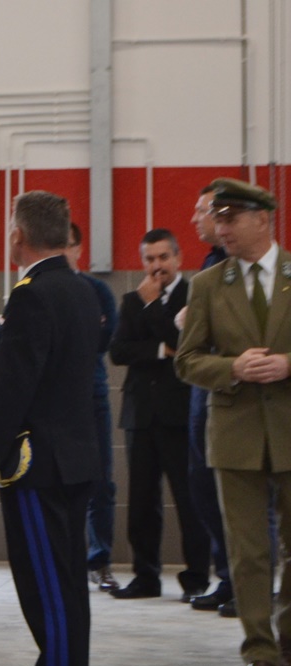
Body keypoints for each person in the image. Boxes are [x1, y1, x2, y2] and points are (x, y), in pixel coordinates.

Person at [0, 190, 100, 666]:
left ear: (18, 236)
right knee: (66, 586)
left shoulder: (32, 295)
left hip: (39, 466)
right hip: (76, 458)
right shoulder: (83, 290)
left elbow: (13, 390)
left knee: (48, 589)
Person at [174, 178, 291, 666]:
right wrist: (233, 368)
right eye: (216, 219)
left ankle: (290, 639)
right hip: (236, 433)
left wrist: (288, 364)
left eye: (230, 219)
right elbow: (187, 361)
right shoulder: (206, 285)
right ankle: (259, 650)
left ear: (263, 220)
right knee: (248, 552)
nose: (220, 229)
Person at [105, 228, 209, 601]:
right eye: (150, 259)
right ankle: (145, 576)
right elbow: (118, 351)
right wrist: (159, 349)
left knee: (189, 499)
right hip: (140, 413)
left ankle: (196, 579)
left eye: (164, 257)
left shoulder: (193, 296)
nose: (157, 266)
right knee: (141, 501)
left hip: (178, 413)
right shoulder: (131, 299)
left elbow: (185, 344)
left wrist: (153, 313)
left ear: (178, 258)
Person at [182, 185, 236, 613]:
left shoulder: (237, 267)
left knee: (238, 494)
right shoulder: (208, 264)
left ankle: (246, 584)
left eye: (202, 211)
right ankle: (227, 577)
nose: (196, 219)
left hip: (231, 388)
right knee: (202, 485)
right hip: (203, 386)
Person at [65, 224, 120, 592]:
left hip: (92, 395)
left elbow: (104, 341)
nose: (64, 253)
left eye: (69, 246)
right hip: (57, 401)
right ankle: (66, 560)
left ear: (79, 249)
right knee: (61, 482)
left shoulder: (97, 290)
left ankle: (99, 560)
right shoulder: (40, 289)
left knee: (100, 482)